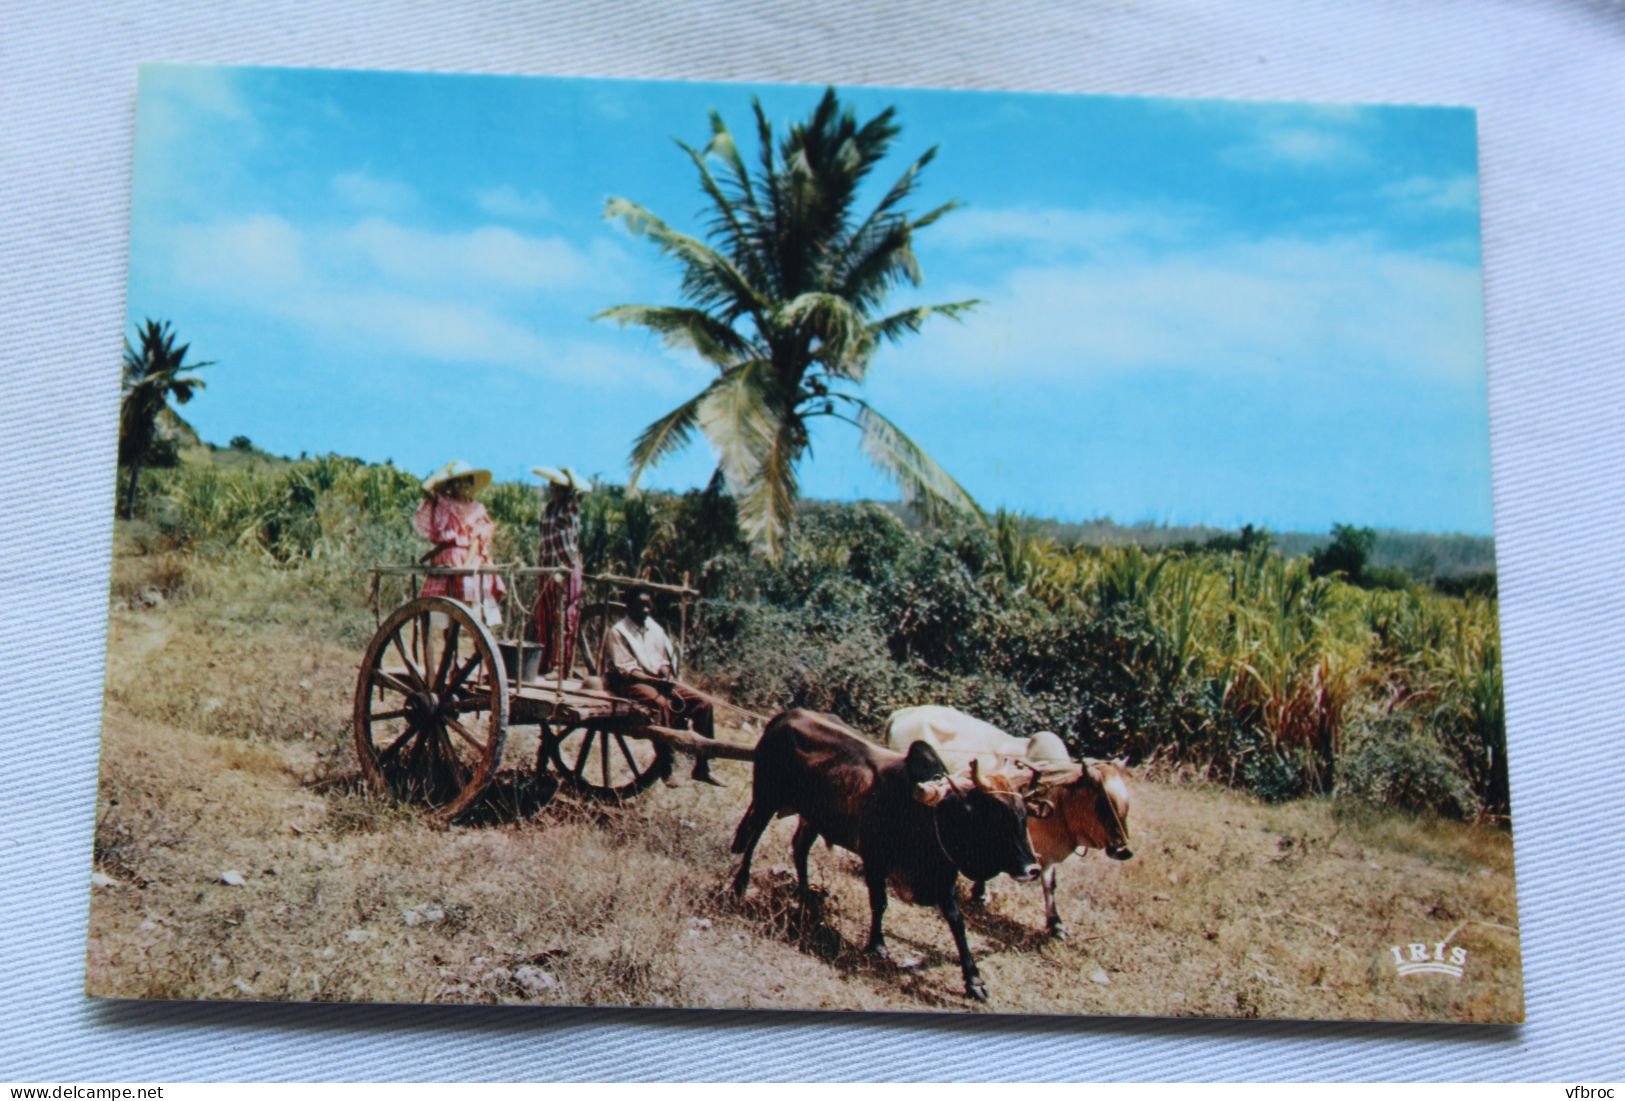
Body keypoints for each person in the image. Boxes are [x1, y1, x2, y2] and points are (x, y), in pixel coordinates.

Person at [606, 585, 721, 785]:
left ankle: (702, 766)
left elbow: (664, 661)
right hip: (630, 682)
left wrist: (666, 674)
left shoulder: (655, 628)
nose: (645, 610)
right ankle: (666, 765)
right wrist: (656, 682)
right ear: (628, 606)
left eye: (647, 606)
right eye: (640, 606)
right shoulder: (618, 632)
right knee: (661, 705)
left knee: (704, 704)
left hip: (657, 680)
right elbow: (627, 670)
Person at [413, 460, 505, 626]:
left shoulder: (477, 508)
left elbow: (477, 539)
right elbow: (425, 488)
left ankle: (474, 640)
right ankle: (450, 643)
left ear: (471, 484)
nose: (461, 487)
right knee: (446, 608)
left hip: (469, 557)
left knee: (469, 602)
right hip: (447, 557)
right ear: (451, 485)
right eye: (456, 482)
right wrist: (446, 469)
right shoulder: (444, 502)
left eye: (465, 482)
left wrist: (467, 564)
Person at [530, 466, 586, 679]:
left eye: (558, 486)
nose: (553, 489)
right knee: (544, 617)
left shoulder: (570, 506)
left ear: (566, 489)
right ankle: (544, 662)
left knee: (565, 617)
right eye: (552, 485)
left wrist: (569, 474)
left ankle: (560, 667)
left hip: (567, 567)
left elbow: (580, 489)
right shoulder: (549, 509)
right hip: (547, 566)